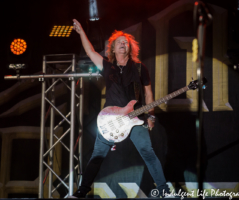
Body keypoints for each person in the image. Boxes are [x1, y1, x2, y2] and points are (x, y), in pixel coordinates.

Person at [70, 19, 170, 198]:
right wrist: (81, 32)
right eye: (119, 42)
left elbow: (148, 94)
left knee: (148, 152)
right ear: (113, 49)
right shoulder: (107, 66)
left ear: (130, 47)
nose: (123, 44)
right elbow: (90, 51)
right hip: (110, 119)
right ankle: (81, 192)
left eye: (126, 42)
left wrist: (151, 116)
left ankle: (164, 191)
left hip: (135, 117)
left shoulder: (140, 68)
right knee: (97, 155)